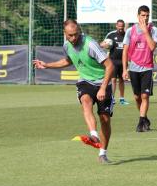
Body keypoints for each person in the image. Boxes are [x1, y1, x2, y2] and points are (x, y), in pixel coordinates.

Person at [33, 19, 114, 164]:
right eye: (70, 35)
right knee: (85, 100)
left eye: (76, 34)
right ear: (65, 33)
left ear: (79, 31)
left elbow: (110, 66)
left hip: (103, 82)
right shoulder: (67, 45)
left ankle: (103, 152)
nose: (73, 38)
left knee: (105, 119)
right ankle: (94, 134)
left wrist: (103, 87)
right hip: (85, 81)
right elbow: (68, 61)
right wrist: (47, 65)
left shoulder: (90, 44)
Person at [122, 5, 157, 132]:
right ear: (138, 16)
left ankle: (141, 122)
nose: (145, 18)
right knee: (137, 97)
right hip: (133, 68)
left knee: (144, 96)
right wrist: (124, 69)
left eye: (147, 15)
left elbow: (152, 47)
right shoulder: (130, 31)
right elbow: (125, 51)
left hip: (147, 67)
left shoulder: (153, 30)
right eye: (143, 15)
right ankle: (145, 118)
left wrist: (145, 31)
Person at [100, 19, 130, 105]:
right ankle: (112, 98)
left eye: (122, 27)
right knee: (113, 80)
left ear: (124, 26)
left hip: (123, 62)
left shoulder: (126, 35)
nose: (120, 28)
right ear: (116, 26)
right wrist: (104, 45)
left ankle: (122, 99)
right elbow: (102, 44)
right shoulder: (111, 35)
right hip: (113, 61)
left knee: (121, 80)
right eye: (119, 26)